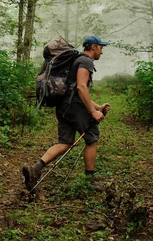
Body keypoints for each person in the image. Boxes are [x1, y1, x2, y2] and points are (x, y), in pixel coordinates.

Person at [23, 35, 111, 191]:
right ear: (92, 47)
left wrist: (98, 107)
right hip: (75, 107)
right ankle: (90, 180)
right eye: (100, 47)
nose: (101, 52)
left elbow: (73, 87)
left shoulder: (77, 61)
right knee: (92, 138)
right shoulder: (85, 61)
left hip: (63, 106)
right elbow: (81, 88)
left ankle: (35, 168)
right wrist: (92, 112)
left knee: (65, 142)